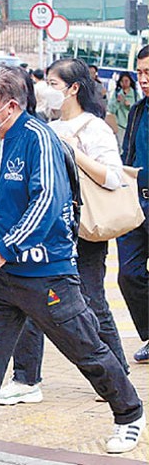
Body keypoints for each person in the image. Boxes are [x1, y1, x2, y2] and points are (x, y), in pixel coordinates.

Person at [0, 66, 144, 461]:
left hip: (45, 273)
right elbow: (10, 192)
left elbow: (48, 202)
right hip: (0, 278)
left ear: (12, 104)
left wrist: (3, 248)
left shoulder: (40, 139)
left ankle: (130, 414)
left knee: (86, 348)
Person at [0, 58, 129, 407]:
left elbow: (114, 178)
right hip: (50, 229)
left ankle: (116, 372)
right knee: (28, 299)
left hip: (85, 230)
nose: (47, 90)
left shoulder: (94, 128)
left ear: (74, 88)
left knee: (90, 301)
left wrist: (71, 151)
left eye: (54, 84)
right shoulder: (46, 127)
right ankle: (26, 378)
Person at [116, 45, 149, 364]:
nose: (142, 79)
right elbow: (128, 153)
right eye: (140, 72)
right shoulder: (139, 110)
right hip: (136, 203)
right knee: (128, 273)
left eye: (148, 73)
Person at [108, 71, 140, 147]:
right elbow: (111, 109)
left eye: (126, 81)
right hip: (119, 126)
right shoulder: (117, 94)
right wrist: (117, 102)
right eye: (122, 81)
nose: (124, 83)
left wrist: (130, 105)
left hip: (132, 126)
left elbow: (139, 109)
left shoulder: (135, 95)